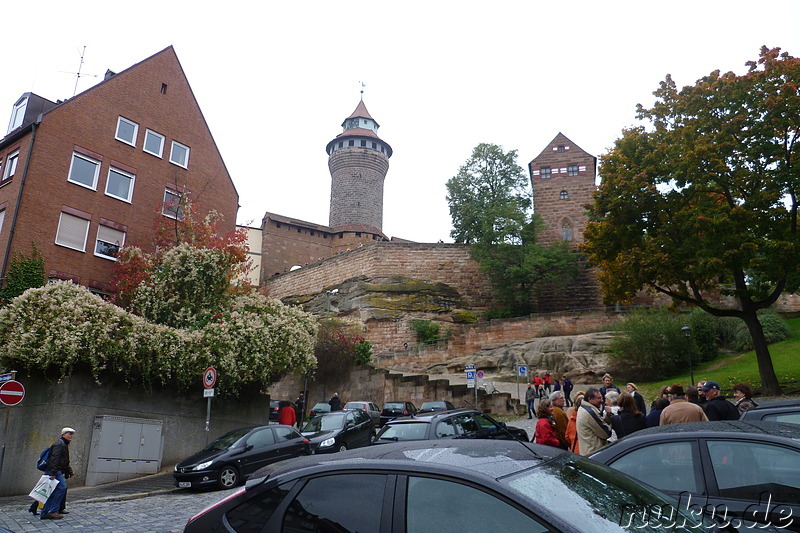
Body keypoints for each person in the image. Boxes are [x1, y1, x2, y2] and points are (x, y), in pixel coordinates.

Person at [40, 427, 75, 520]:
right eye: (69, 433)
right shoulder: (60, 444)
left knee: (53, 490)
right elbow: (55, 458)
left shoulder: (63, 444)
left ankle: (46, 512)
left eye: (72, 434)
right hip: (55, 471)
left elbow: (65, 461)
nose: (71, 436)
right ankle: (53, 511)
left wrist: (70, 472)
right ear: (63, 434)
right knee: (61, 488)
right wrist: (53, 472)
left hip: (56, 470)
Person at [576, 387, 612, 455]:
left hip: (587, 451)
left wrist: (608, 416)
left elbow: (598, 423)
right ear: (590, 399)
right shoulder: (590, 412)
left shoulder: (582, 408)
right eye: (598, 398)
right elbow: (606, 433)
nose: (602, 401)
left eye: (601, 398)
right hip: (594, 452)